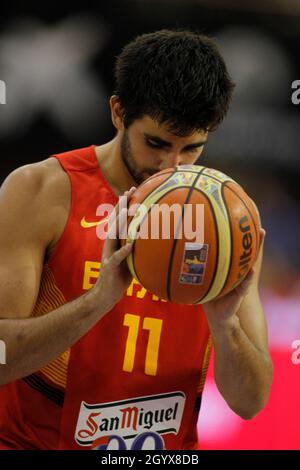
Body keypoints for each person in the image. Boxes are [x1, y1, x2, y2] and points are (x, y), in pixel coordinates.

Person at [0, 29, 273, 450]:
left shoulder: (226, 218)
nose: (171, 166)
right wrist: (99, 300)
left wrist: (225, 325)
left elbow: (251, 403)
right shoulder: (40, 191)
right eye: (156, 144)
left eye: (191, 149)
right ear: (117, 112)